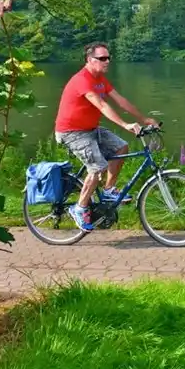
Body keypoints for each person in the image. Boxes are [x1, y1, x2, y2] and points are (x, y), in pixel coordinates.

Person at [53, 42, 158, 232]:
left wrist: (144, 119)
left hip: (90, 128)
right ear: (89, 60)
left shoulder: (101, 79)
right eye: (102, 58)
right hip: (71, 132)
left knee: (121, 147)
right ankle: (80, 207)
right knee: (98, 166)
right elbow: (102, 105)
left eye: (108, 58)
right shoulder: (82, 80)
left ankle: (108, 189)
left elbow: (120, 101)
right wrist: (126, 125)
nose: (107, 61)